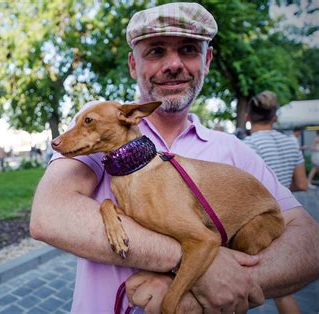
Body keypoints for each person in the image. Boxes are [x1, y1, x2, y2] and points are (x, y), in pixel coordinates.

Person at [30, 3, 319, 313]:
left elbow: (310, 245)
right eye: (155, 52)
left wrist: (206, 284)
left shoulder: (235, 150)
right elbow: (49, 216)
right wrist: (190, 261)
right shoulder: (104, 126)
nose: (173, 64)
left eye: (188, 49)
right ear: (133, 64)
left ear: (206, 60)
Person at [244, 91, 308, 313]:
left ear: (247, 117)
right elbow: (302, 183)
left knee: (244, 287)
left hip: (259, 220)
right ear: (275, 117)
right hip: (287, 217)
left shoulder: (248, 146)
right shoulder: (291, 143)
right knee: (282, 291)